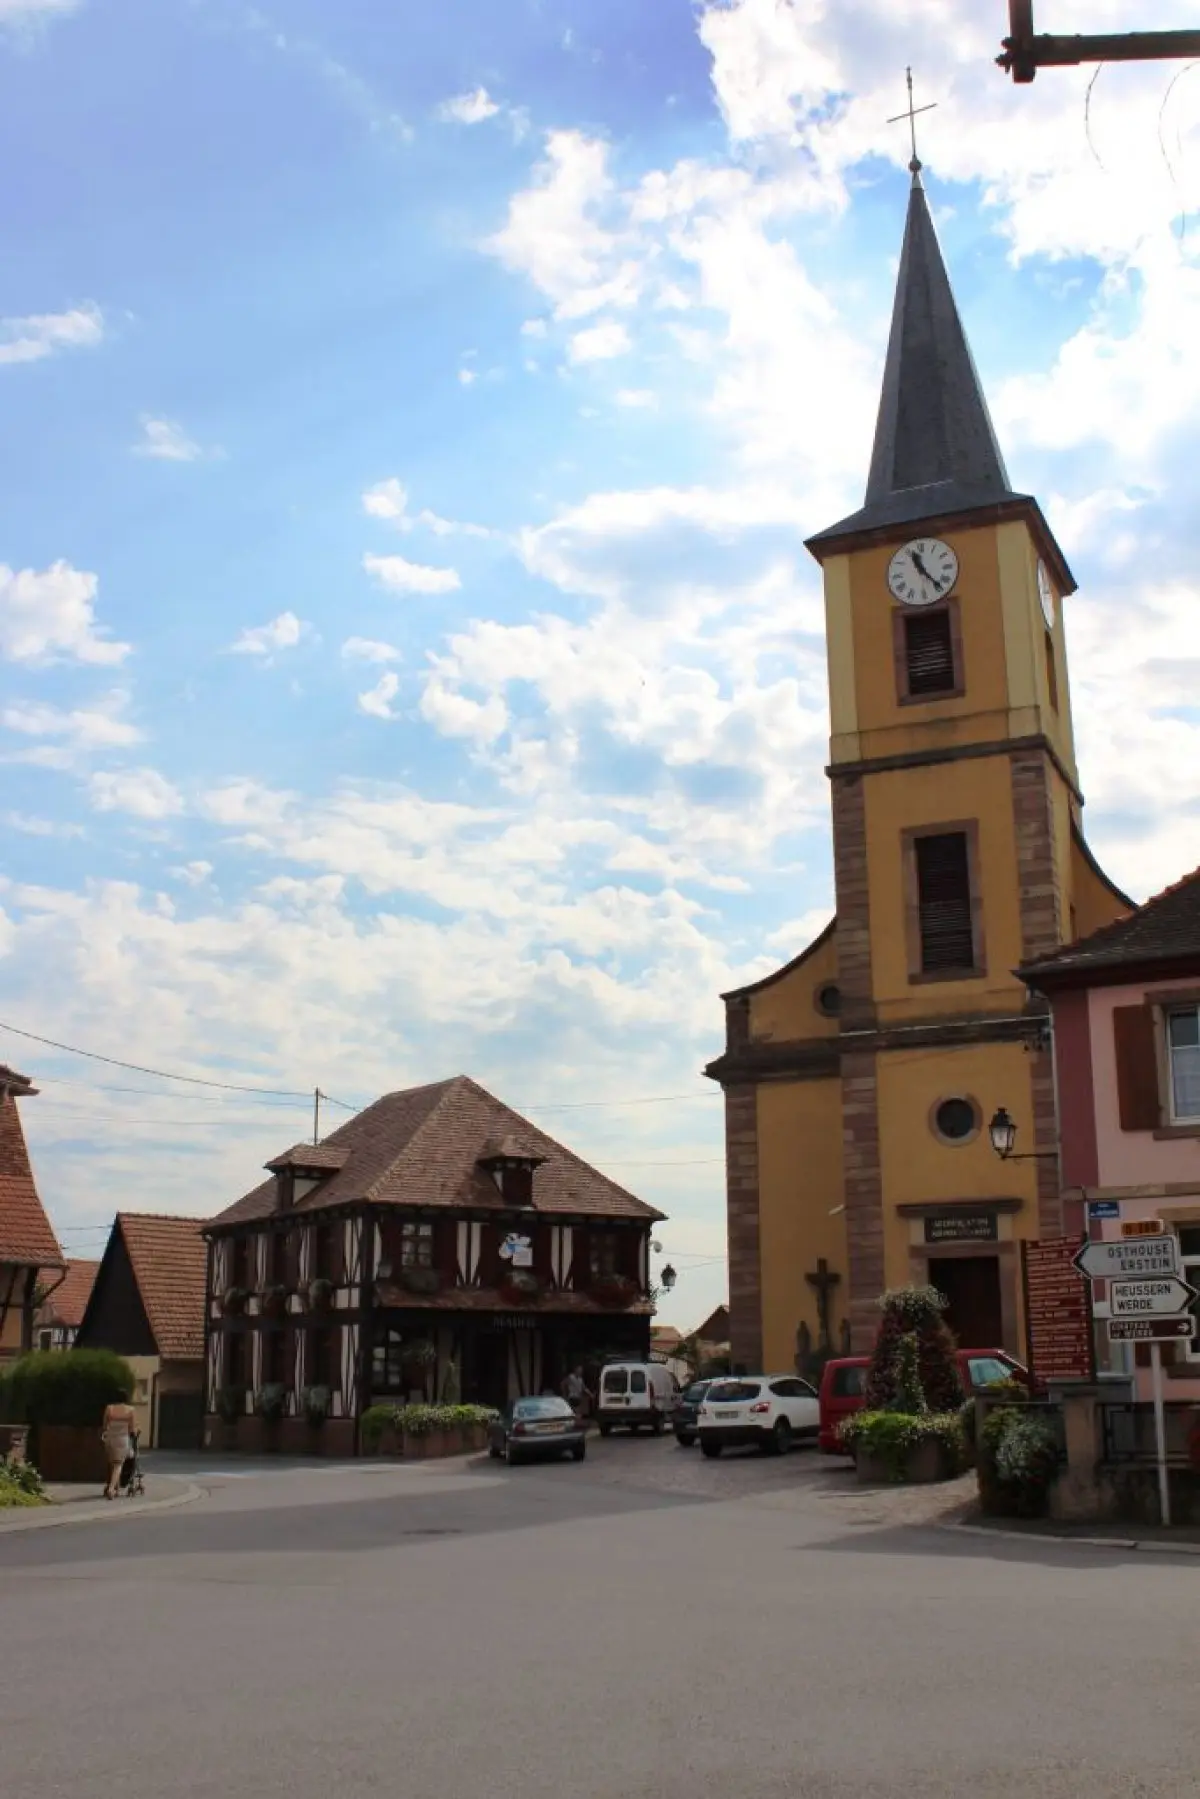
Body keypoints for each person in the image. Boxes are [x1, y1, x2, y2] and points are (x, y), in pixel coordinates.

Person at [100, 1397, 137, 1500]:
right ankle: (111, 1489)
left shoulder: (109, 1408)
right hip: (122, 1439)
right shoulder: (130, 1410)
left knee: (112, 1464)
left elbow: (104, 1425)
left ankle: (116, 1488)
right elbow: (132, 1428)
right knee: (118, 1465)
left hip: (110, 1438)